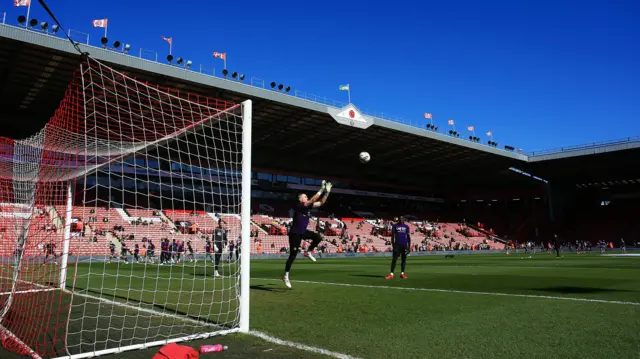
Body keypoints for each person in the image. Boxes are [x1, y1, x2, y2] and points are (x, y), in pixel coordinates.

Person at [282, 180, 332, 289]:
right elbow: (313, 199)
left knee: (319, 236)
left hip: (303, 232)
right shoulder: (298, 205)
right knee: (293, 255)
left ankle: (308, 251)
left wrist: (327, 192)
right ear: (300, 199)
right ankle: (286, 275)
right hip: (295, 234)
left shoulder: (308, 207)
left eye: (306, 196)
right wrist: (322, 189)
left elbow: (321, 202)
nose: (306, 197)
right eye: (304, 196)